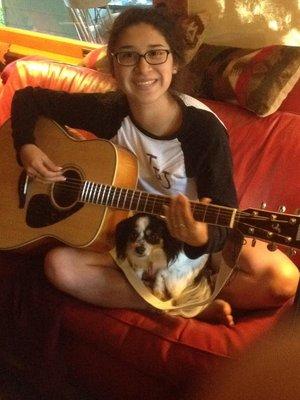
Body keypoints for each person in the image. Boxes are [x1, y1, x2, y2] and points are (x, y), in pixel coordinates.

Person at [10, 7, 299, 325]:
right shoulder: (108, 110)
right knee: (59, 266)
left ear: (175, 63)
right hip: (126, 230)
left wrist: (199, 235)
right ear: (115, 66)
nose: (143, 67)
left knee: (282, 279)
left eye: (156, 54)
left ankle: (176, 295)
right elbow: (28, 99)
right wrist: (27, 147)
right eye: (128, 56)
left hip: (190, 230)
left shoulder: (204, 131)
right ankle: (179, 303)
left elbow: (223, 213)